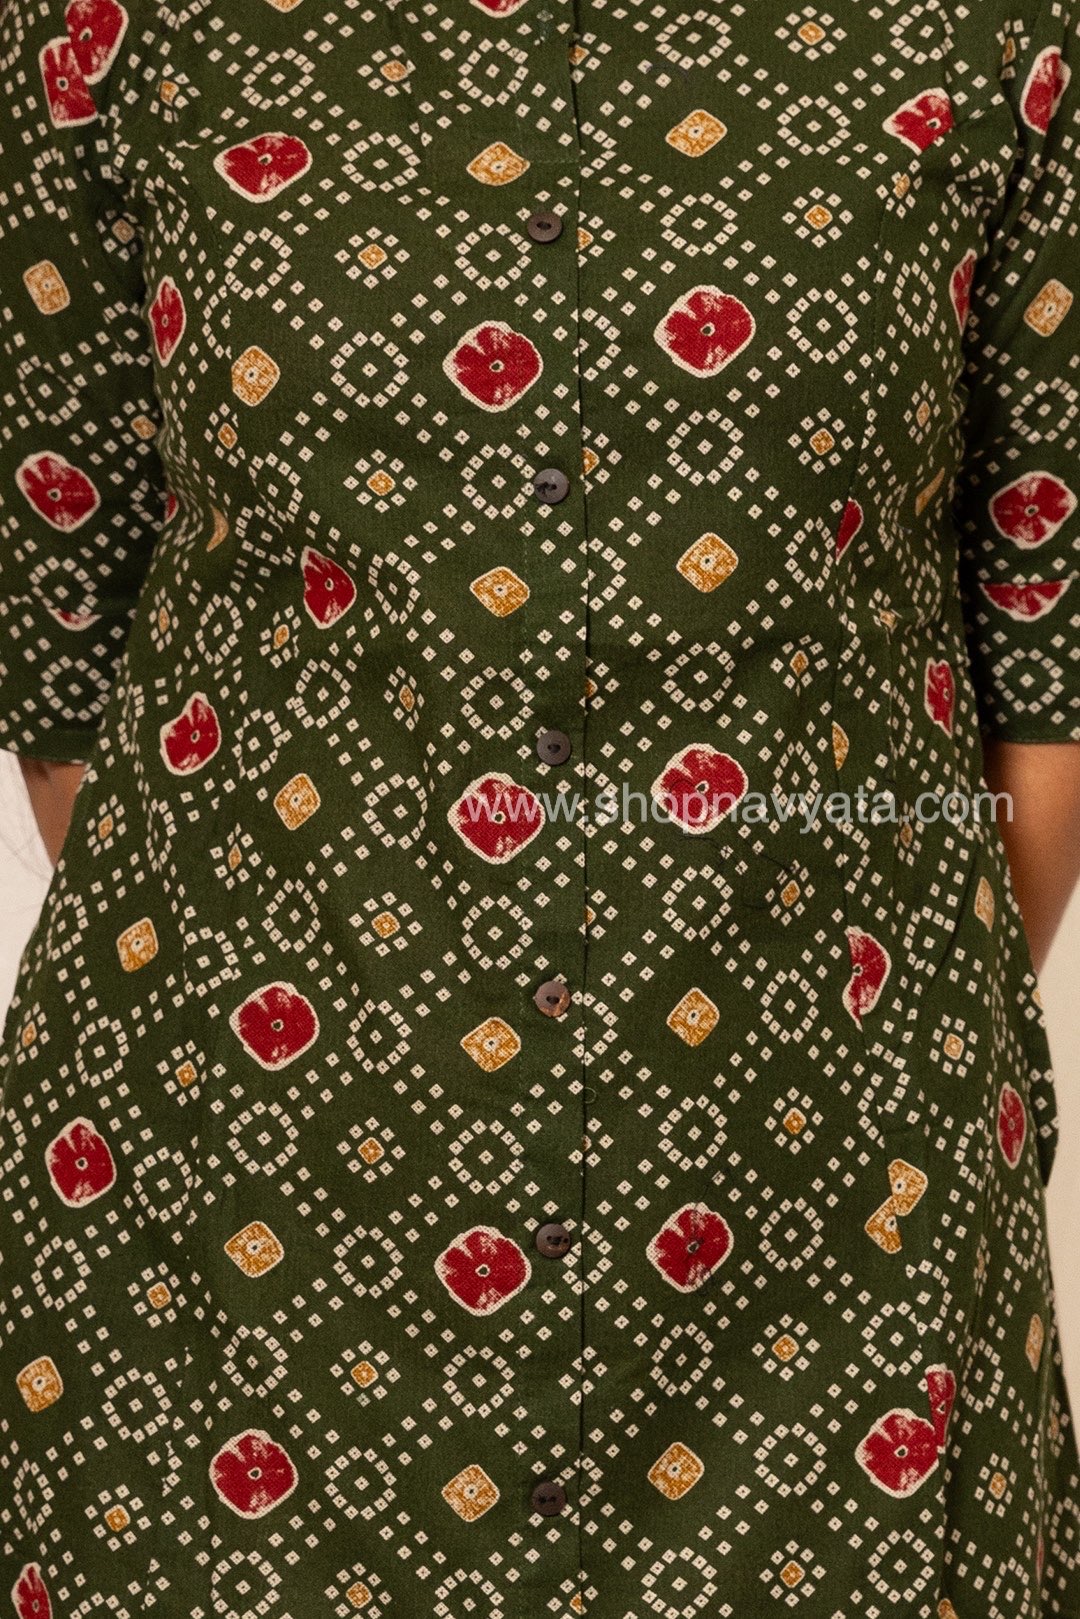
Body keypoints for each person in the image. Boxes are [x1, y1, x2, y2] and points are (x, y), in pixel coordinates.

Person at [2, 2, 1080, 1614]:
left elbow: (1048, 633)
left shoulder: (998, 29)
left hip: (840, 1218)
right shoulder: (113, 27)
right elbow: (62, 616)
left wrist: (859, 1018)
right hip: (239, 1227)